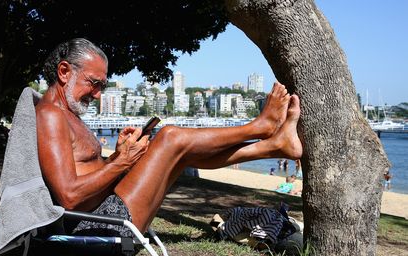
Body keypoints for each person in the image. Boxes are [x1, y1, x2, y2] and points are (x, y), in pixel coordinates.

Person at [35, 38, 303, 237]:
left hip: (106, 212)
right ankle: (260, 128)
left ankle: (273, 145)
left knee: (183, 151)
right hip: (98, 225)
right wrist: (122, 163)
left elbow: (82, 174)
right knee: (170, 136)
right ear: (64, 72)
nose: (97, 95)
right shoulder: (50, 115)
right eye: (94, 83)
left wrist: (118, 155)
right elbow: (69, 196)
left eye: (102, 87)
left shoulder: (66, 114)